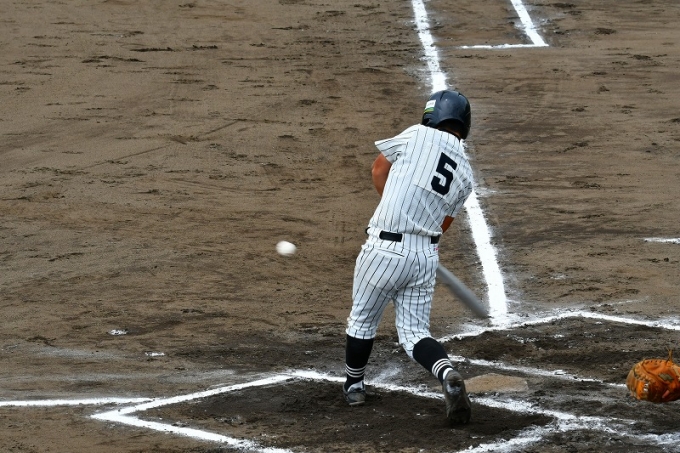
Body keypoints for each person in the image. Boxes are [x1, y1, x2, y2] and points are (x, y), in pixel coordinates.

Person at [343, 90, 475, 425]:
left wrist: (392, 207)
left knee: (362, 321)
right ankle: (446, 373)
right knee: (415, 333)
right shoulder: (466, 173)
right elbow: (442, 224)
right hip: (425, 256)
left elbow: (378, 170)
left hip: (384, 249)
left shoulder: (416, 134)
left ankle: (354, 386)